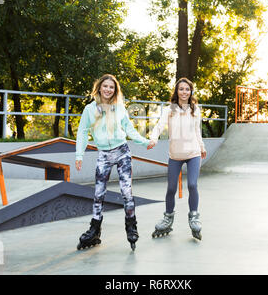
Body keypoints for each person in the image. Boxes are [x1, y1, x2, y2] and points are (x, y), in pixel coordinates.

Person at [75, 74, 152, 250]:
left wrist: (145, 142)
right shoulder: (90, 109)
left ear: (115, 90)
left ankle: (131, 226)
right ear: (99, 88)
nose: (108, 90)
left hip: (122, 152)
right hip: (103, 154)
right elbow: (82, 132)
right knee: (99, 194)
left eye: (112, 87)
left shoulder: (119, 108)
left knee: (126, 190)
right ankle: (94, 229)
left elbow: (129, 129)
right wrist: (79, 155)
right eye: (105, 86)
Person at [148, 77, 206, 240]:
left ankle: (194, 217)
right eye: (181, 89)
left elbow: (197, 130)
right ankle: (168, 219)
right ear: (176, 91)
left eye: (187, 89)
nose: (184, 92)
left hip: (193, 153)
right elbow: (159, 126)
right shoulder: (169, 109)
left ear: (191, 92)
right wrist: (154, 138)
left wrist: (201, 147)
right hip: (175, 155)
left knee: (193, 185)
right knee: (171, 188)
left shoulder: (195, 109)